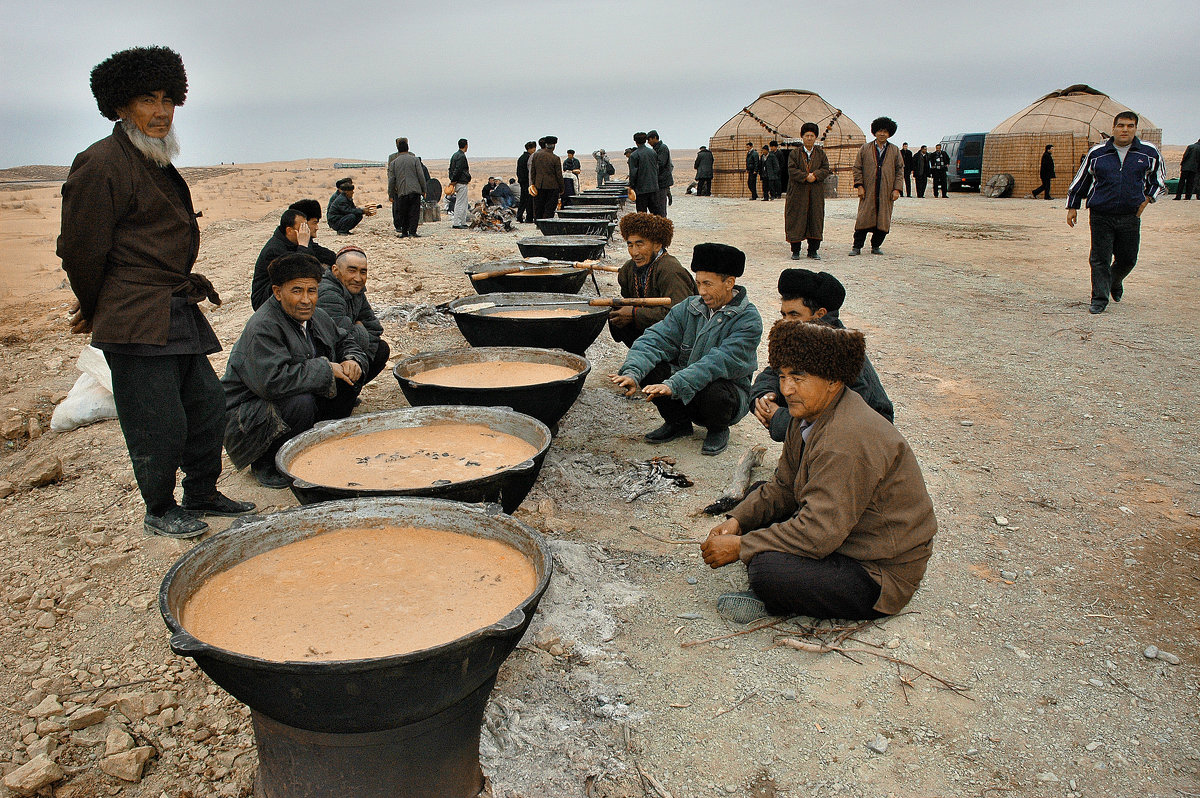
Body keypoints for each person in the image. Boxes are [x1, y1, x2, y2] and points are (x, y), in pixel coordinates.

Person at [58, 45, 254, 539]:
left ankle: (203, 493)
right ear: (121, 106)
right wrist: (97, 305)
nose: (161, 111)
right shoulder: (100, 162)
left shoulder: (154, 159)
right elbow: (81, 250)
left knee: (208, 407)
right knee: (156, 420)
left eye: (168, 99)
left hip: (174, 307)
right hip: (134, 315)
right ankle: (160, 508)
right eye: (148, 100)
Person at [700, 320, 937, 623]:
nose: (786, 389)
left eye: (798, 377)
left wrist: (743, 546)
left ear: (833, 380)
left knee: (766, 569)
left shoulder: (845, 438)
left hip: (879, 571)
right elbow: (783, 487)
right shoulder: (807, 414)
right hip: (846, 532)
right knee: (758, 495)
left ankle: (776, 603)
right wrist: (737, 521)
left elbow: (819, 533)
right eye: (783, 376)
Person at [222, 253, 368, 488]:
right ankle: (268, 462)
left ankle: (318, 443)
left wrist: (352, 360)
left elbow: (344, 340)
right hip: (248, 417)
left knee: (348, 381)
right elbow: (272, 382)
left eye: (312, 291)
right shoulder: (263, 327)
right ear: (278, 292)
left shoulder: (316, 315)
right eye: (297, 291)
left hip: (281, 399)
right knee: (300, 401)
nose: (306, 299)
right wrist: (326, 368)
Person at [610, 243, 762, 457]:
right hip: (684, 384)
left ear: (729, 283)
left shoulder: (748, 319)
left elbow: (717, 362)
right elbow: (655, 338)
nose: (702, 292)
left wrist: (674, 384)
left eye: (708, 284)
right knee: (652, 370)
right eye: (698, 283)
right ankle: (678, 423)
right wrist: (632, 372)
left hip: (725, 394)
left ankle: (718, 429)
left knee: (716, 391)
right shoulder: (690, 307)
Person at [751, 269, 894, 443]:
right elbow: (771, 374)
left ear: (819, 315)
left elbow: (841, 420)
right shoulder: (799, 339)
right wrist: (765, 398)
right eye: (783, 315)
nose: (785, 322)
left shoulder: (839, 350)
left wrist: (779, 419)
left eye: (794, 315)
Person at [1066, 111, 1166, 314]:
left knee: (1128, 258)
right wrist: (1072, 206)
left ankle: (1114, 280)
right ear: (1113, 128)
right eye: (1121, 126)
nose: (1125, 130)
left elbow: (1159, 179)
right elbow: (1082, 179)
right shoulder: (1098, 152)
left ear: (1136, 129)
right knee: (1100, 257)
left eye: (1130, 126)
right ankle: (1099, 299)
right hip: (1101, 212)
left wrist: (1147, 199)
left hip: (1130, 214)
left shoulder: (1148, 152)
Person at [609, 213, 697, 347]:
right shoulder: (628, 269)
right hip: (652, 331)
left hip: (679, 339)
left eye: (640, 244)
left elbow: (681, 316)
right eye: (630, 245)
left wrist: (635, 314)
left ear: (657, 245)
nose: (634, 252)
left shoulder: (671, 270)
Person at [317, 245, 390, 391]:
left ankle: (351, 389)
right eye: (352, 270)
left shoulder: (355, 291)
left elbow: (375, 329)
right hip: (327, 360)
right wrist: (360, 330)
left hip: (349, 352)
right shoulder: (328, 294)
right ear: (335, 271)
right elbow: (339, 339)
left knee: (381, 350)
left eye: (363, 272)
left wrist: (360, 359)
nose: (358, 278)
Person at [251, 207, 337, 310]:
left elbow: (325, 255)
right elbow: (300, 270)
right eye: (302, 228)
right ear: (289, 230)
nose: (306, 231)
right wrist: (304, 247)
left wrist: (341, 261)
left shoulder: (297, 241)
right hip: (265, 300)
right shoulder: (274, 249)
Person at [850, 117, 904, 255]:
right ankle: (857, 247)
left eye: (885, 131)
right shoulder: (865, 148)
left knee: (883, 219)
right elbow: (857, 168)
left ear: (890, 133)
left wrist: (897, 189)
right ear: (874, 132)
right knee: (863, 219)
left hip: (886, 191)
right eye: (880, 131)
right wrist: (860, 185)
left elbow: (899, 170)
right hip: (868, 190)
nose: (882, 134)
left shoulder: (894, 150)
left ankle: (876, 246)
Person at [784, 123, 831, 260]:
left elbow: (825, 168)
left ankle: (813, 250)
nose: (809, 138)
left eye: (812, 136)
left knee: (815, 219)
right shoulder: (794, 153)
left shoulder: (821, 154)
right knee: (796, 218)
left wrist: (815, 175)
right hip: (798, 192)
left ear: (816, 137)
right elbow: (791, 170)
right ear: (802, 137)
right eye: (807, 136)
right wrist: (806, 176)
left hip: (815, 193)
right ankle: (796, 250)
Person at [387, 137, 427, 238]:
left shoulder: (393, 163)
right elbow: (421, 175)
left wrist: (391, 194)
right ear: (408, 148)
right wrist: (424, 189)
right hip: (415, 190)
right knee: (414, 211)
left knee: (403, 212)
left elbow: (391, 180)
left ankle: (404, 232)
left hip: (401, 190)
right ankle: (413, 232)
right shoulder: (415, 160)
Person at [530, 135, 565, 219]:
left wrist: (534, 183)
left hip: (539, 185)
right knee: (550, 207)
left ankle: (538, 222)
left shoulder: (536, 155)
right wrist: (562, 188)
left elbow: (533, 172)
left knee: (539, 205)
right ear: (554, 146)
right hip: (552, 186)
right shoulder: (555, 158)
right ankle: (547, 222)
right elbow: (559, 175)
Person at [628, 132, 662, 215]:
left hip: (641, 189)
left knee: (642, 214)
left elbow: (633, 173)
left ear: (635, 141)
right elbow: (656, 168)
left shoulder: (634, 155)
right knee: (656, 214)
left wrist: (631, 186)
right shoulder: (653, 152)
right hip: (653, 187)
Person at [647, 130, 673, 216]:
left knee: (661, 207)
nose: (648, 142)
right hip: (657, 181)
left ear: (655, 138)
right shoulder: (656, 149)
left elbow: (660, 163)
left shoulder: (662, 148)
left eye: (649, 140)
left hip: (662, 181)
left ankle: (662, 225)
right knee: (656, 206)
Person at [449, 138, 472, 229]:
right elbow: (458, 170)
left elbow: (451, 169)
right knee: (460, 202)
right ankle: (457, 222)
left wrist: (452, 180)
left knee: (463, 202)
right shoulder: (461, 156)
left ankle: (462, 221)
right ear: (466, 145)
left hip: (458, 182)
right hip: (461, 182)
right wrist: (454, 180)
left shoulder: (455, 155)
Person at [516, 141, 536, 222]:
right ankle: (529, 217)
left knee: (523, 199)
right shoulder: (529, 158)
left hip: (522, 181)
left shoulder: (521, 157)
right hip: (527, 181)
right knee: (528, 200)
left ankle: (519, 216)